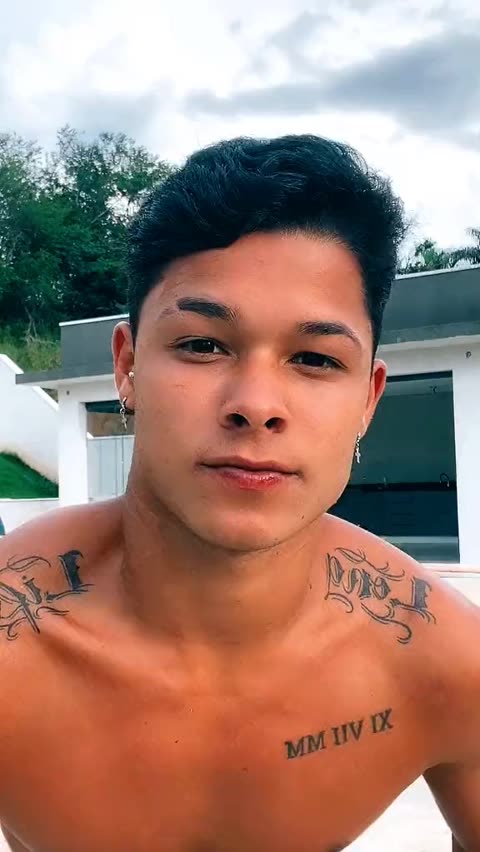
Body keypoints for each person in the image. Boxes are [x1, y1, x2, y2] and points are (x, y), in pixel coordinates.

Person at [0, 134, 479, 852]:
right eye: (202, 345)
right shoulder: (16, 649)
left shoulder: (443, 662)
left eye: (315, 358)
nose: (256, 405)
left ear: (368, 400)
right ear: (126, 368)